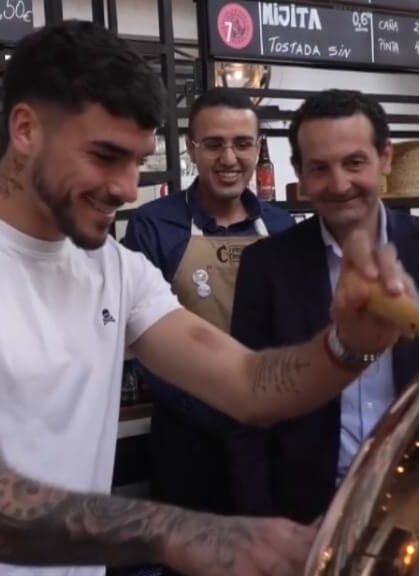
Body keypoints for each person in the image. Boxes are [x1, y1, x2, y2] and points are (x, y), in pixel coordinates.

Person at [0, 22, 418, 576]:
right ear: (25, 130)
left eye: (137, 160)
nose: (127, 188)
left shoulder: (115, 270)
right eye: (105, 156)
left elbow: (247, 383)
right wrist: (180, 533)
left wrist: (348, 346)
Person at [228, 89, 419, 524]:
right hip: (309, 511)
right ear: (300, 174)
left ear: (385, 158)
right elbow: (246, 407)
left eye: (354, 163)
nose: (340, 184)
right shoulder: (266, 265)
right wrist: (259, 521)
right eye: (320, 168)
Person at [122, 88, 294, 518]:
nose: (229, 158)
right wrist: (218, 409)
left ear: (258, 149)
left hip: (271, 435)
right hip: (186, 437)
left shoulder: (282, 226)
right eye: (214, 144)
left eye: (241, 144)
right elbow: (142, 342)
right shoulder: (153, 225)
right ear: (192, 150)